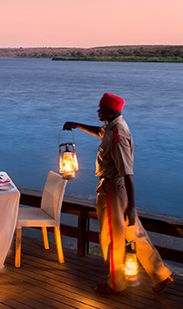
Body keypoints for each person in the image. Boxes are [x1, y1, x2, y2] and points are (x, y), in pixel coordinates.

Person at [64, 92, 175, 296]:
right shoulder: (113, 126)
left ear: (112, 111)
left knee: (111, 238)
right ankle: (161, 274)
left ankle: (116, 284)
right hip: (117, 188)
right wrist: (77, 125)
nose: (98, 111)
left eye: (101, 109)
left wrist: (132, 206)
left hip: (113, 190)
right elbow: (100, 131)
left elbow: (127, 172)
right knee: (134, 232)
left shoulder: (118, 135)